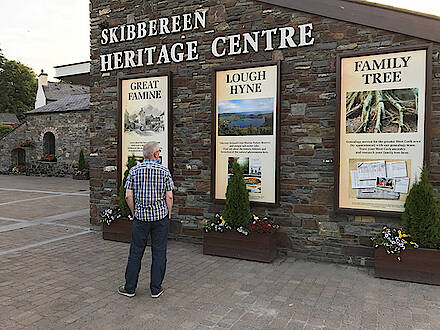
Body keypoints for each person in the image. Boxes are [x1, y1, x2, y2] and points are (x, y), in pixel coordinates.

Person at [118, 141, 174, 298]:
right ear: (156, 154)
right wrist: (168, 214)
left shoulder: (134, 171)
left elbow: (128, 195)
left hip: (141, 219)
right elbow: (169, 196)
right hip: (160, 218)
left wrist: (134, 212)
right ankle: (155, 289)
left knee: (135, 252)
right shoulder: (164, 171)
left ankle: (130, 288)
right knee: (159, 252)